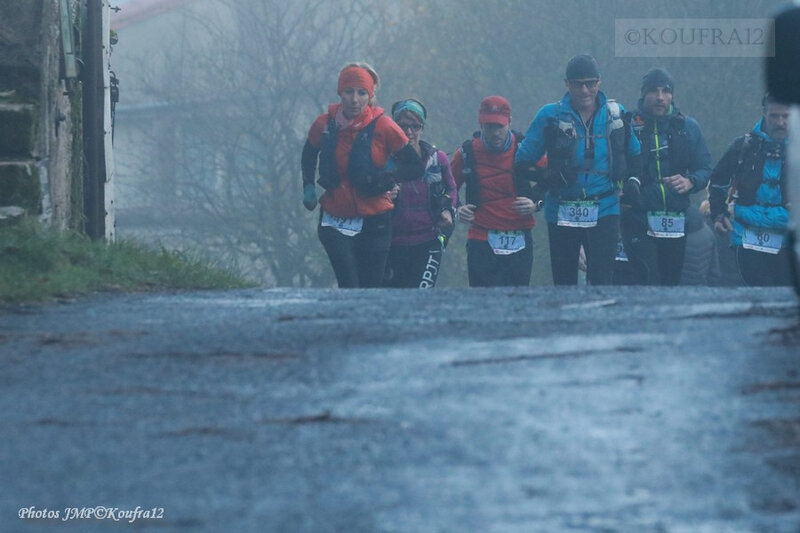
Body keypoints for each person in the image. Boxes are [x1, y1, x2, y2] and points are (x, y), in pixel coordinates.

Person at [515, 54, 641, 285]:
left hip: (605, 208)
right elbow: (522, 161)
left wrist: (633, 181)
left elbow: (635, 154)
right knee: (564, 283)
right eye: (577, 84)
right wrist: (548, 176)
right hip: (562, 208)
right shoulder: (549, 115)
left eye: (590, 83)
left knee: (602, 282)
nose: (584, 90)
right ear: (567, 84)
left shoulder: (615, 113)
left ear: (599, 83)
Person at [300, 62, 424, 288]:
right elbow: (308, 154)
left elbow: (415, 166)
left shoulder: (384, 126)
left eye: (361, 93)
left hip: (375, 218)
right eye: (349, 92)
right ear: (340, 93)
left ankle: (368, 323)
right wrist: (308, 186)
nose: (354, 100)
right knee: (349, 284)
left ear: (370, 95)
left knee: (370, 287)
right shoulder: (324, 124)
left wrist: (387, 178)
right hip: (335, 218)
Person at [618, 68, 713, 286]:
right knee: (648, 279)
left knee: (670, 284)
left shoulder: (688, 127)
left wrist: (691, 181)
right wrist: (619, 189)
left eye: (666, 91)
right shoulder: (627, 125)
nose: (660, 97)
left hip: (675, 219)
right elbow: (610, 164)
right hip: (637, 216)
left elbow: (705, 168)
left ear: (672, 95)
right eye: (654, 91)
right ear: (643, 93)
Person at [451, 95, 542, 287]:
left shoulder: (526, 149)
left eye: (499, 126)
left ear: (509, 122)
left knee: (518, 301)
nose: (495, 133)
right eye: (489, 126)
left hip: (520, 237)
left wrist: (535, 203)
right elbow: (447, 188)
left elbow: (553, 180)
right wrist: (457, 208)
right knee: (483, 303)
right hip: (481, 239)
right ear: (480, 124)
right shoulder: (466, 153)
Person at [709, 93, 793, 286]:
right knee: (758, 293)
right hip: (746, 237)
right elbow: (718, 180)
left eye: (786, 116)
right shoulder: (744, 146)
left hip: (786, 239)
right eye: (774, 116)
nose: (780, 122)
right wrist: (718, 214)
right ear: (764, 113)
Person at [383, 98, 458, 288]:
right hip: (392, 243)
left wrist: (448, 210)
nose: (409, 132)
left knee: (421, 298)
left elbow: (451, 189)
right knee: (393, 300)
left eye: (415, 126)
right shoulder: (384, 160)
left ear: (422, 128)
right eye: (403, 126)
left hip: (429, 241)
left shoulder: (437, 158)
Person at [679, 203, 719, 285]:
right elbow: (714, 267)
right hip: (702, 286)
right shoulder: (708, 232)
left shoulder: (679, 239)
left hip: (679, 288)